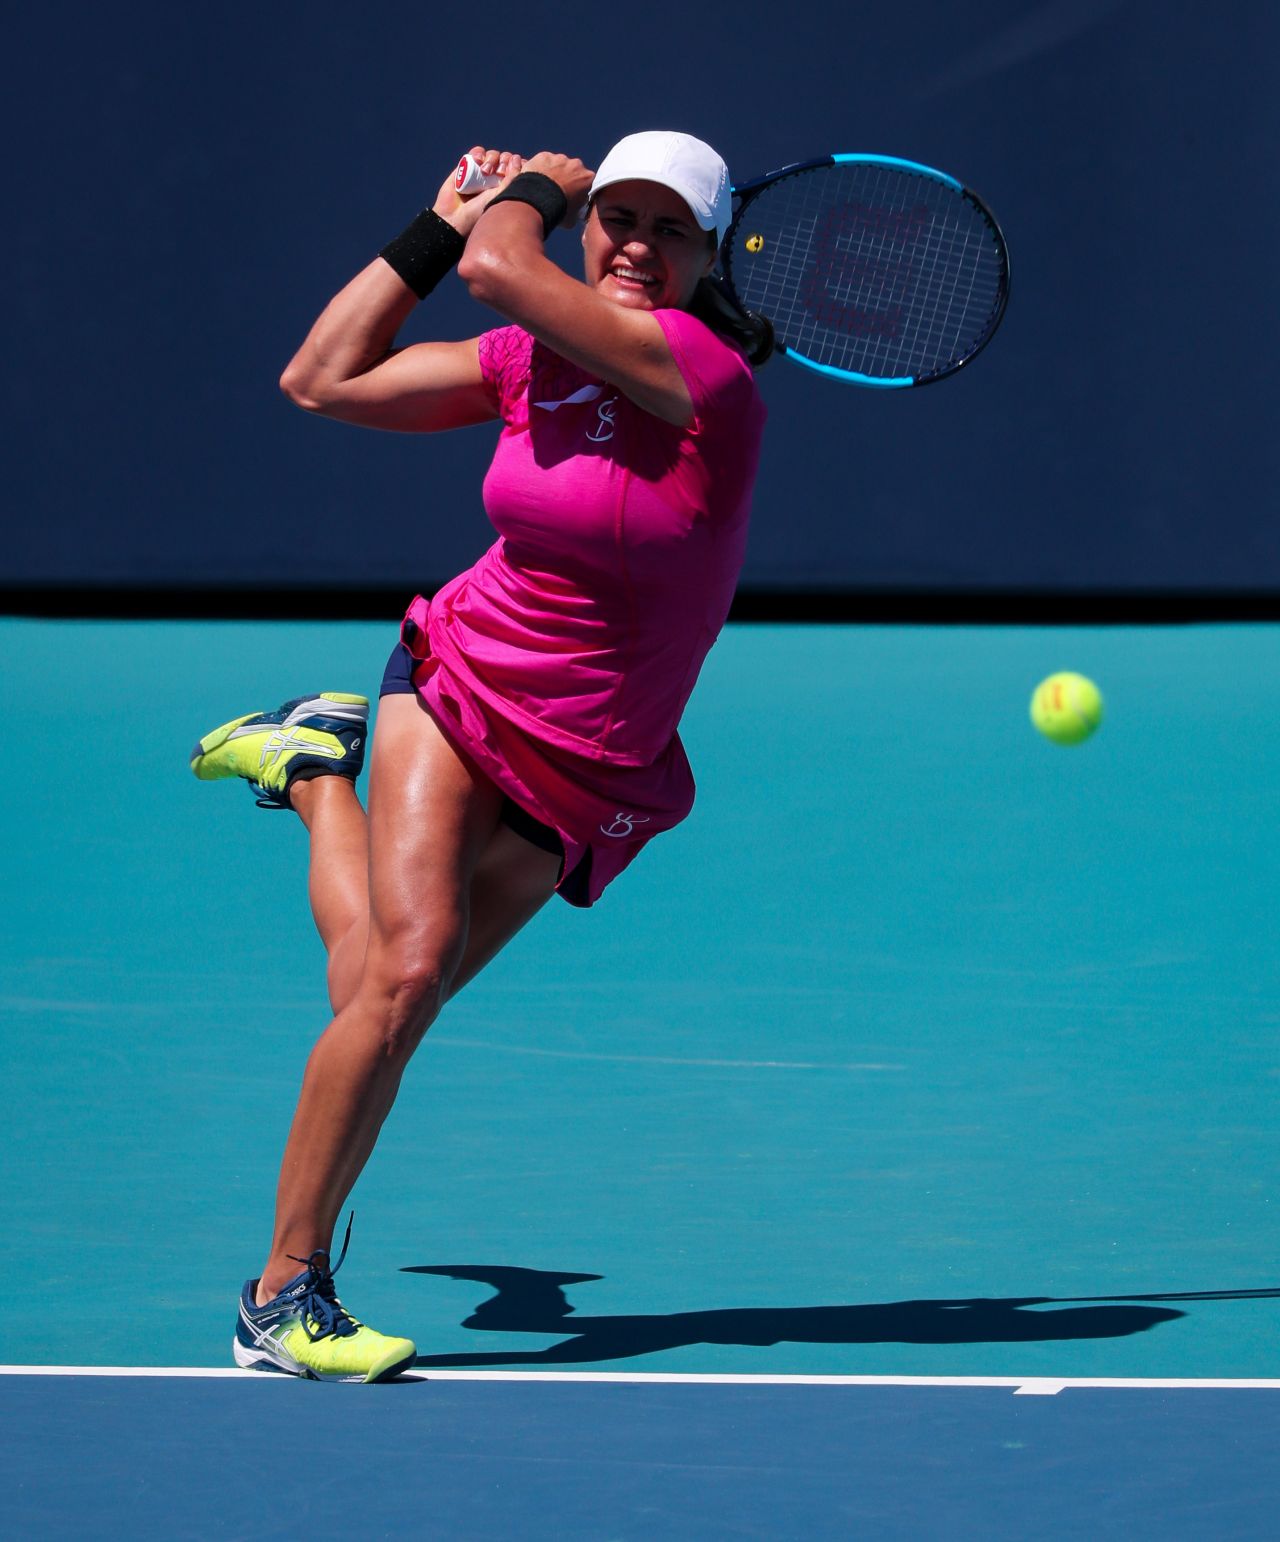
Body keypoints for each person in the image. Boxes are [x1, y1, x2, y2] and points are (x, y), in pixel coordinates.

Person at [191, 131, 771, 1382]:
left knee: (382, 998)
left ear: (707, 256)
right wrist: (435, 225)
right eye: (612, 215)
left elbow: (511, 269)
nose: (630, 243)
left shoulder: (703, 377)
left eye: (667, 229)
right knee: (401, 983)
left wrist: (522, 204)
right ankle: (281, 1295)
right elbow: (321, 378)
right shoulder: (526, 361)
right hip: (458, 679)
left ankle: (304, 771)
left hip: (589, 757)